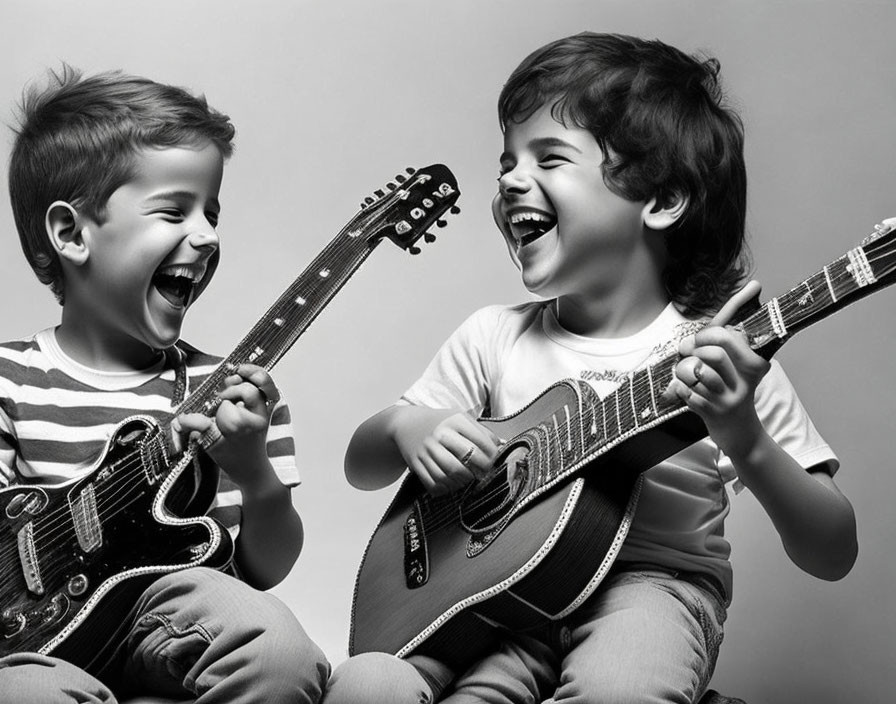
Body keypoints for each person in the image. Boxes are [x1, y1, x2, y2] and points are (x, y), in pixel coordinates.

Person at [323, 32, 859, 704]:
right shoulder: (495, 337)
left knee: (619, 687)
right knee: (363, 685)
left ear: (660, 200)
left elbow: (831, 551)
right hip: (492, 601)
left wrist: (743, 434)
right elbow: (361, 465)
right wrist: (409, 428)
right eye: (507, 163)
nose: (512, 181)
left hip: (651, 593)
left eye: (550, 159)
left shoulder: (724, 357)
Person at [0, 67, 328, 703]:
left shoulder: (233, 393)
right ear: (71, 234)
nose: (206, 236)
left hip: (174, 620)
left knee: (281, 654)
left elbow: (266, 570)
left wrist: (253, 469)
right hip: (35, 646)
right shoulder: (8, 380)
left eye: (211, 212)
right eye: (175, 210)